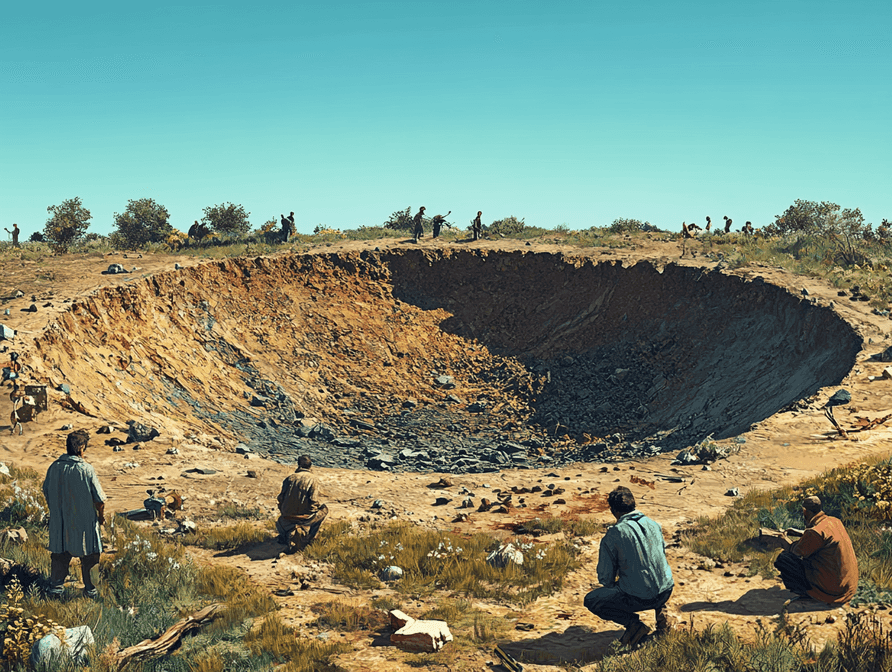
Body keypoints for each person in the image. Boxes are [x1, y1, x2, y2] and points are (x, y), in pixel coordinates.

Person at [584, 487, 673, 648]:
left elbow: (605, 579)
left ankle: (634, 625)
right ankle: (662, 616)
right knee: (652, 576)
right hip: (666, 591)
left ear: (613, 511)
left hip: (640, 597)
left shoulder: (614, 534)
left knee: (592, 600)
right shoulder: (654, 524)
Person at [42, 430, 107, 599]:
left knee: (59, 556)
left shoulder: (54, 467)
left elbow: (46, 490)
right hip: (84, 524)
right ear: (82, 448)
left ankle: (55, 591)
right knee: (91, 557)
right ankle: (90, 592)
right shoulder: (86, 469)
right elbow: (99, 499)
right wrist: (101, 517)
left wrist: (56, 510)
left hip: (60, 523)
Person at [774, 495, 858, 605]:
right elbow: (824, 535)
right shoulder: (835, 521)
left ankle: (809, 594)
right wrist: (800, 532)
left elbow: (796, 552)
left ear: (805, 511)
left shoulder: (814, 533)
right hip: (848, 588)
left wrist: (783, 540)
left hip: (833, 592)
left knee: (784, 558)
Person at [276, 455, 328, 553]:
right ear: (310, 466)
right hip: (305, 517)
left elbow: (280, 498)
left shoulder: (289, 478)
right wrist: (312, 511)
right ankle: (310, 537)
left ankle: (288, 533)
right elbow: (313, 500)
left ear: (299, 464)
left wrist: (284, 510)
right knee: (324, 509)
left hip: (287, 516)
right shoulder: (313, 479)